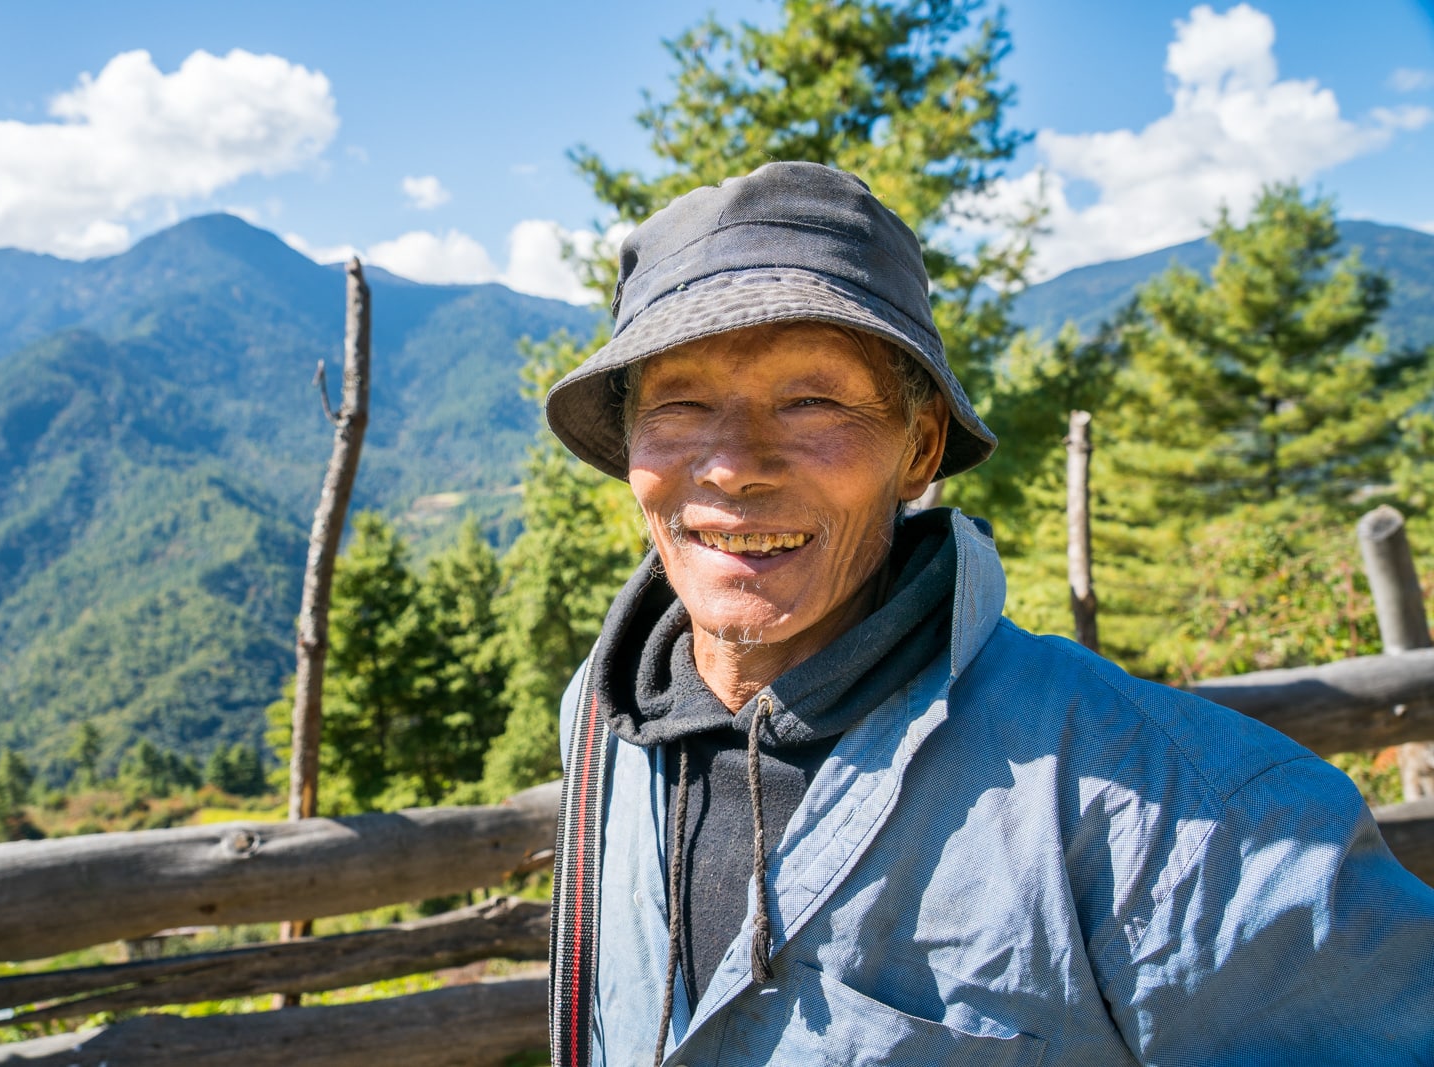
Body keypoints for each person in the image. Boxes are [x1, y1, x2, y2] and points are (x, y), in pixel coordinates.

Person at [542, 161, 1434, 1067]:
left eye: (810, 401)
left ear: (920, 446)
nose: (733, 465)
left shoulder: (1171, 814)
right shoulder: (602, 721)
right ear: (632, 451)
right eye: (680, 404)